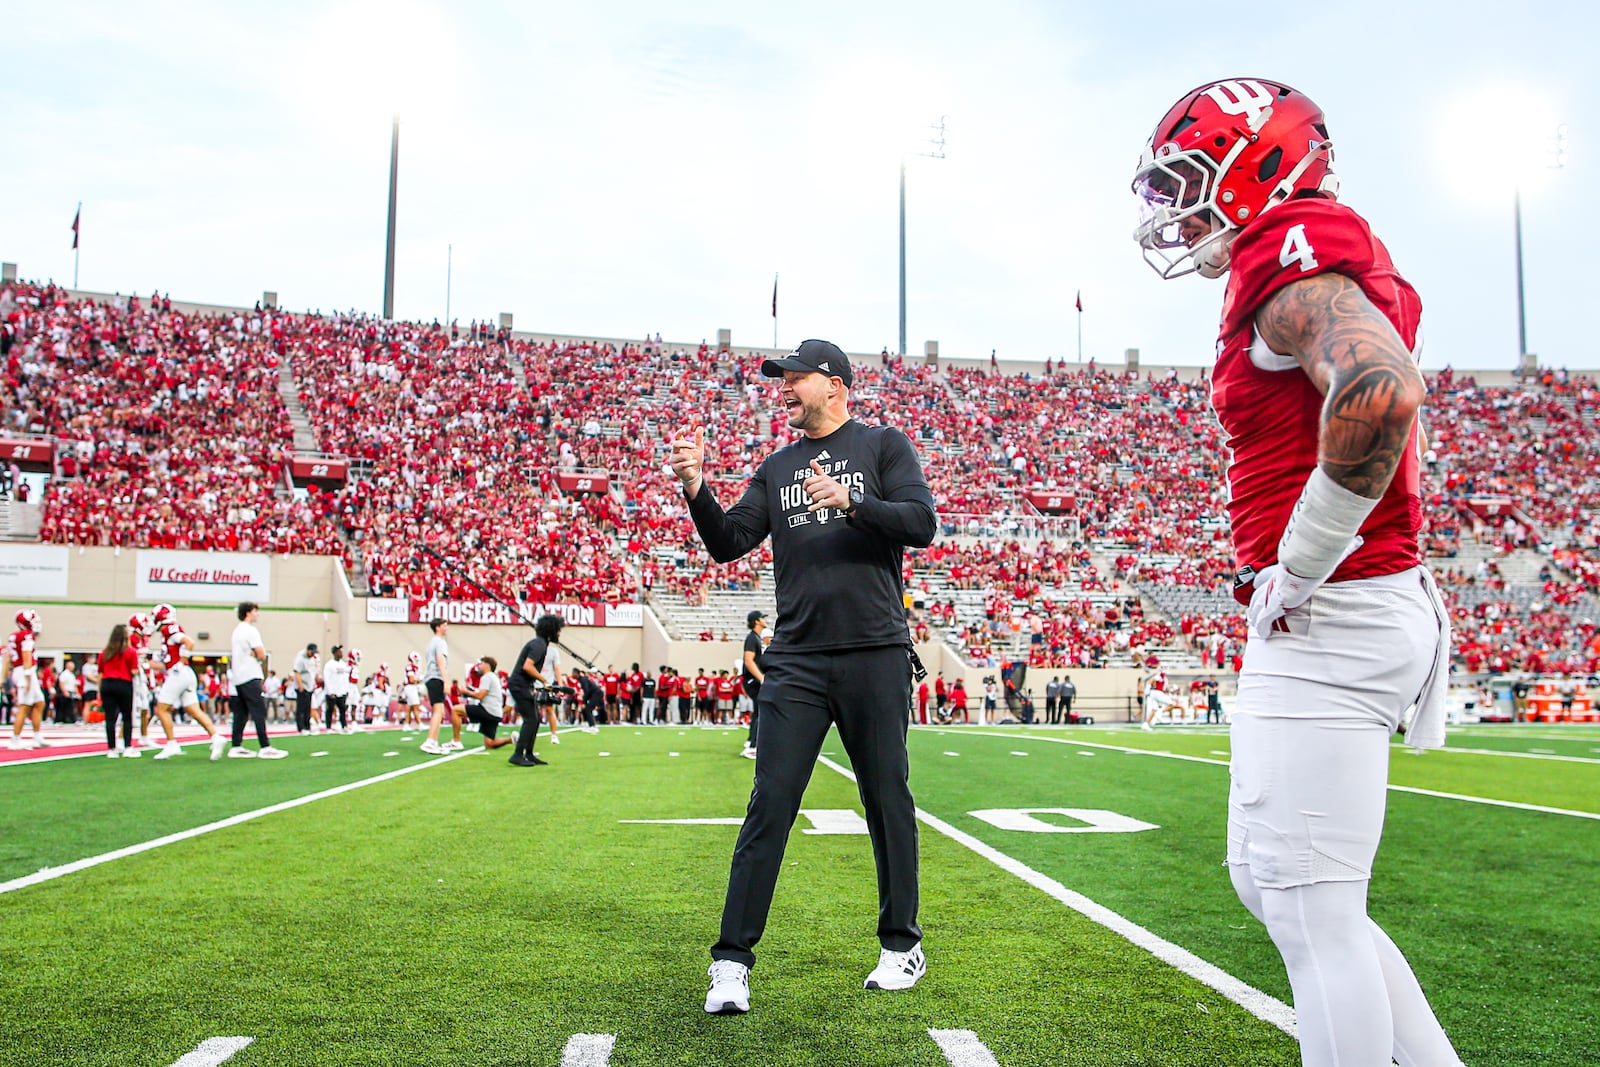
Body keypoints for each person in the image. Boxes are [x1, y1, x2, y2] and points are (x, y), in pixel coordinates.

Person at [1132, 78, 1461, 1066]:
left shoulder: (1290, 248)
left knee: (1310, 906)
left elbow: (1379, 389)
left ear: (1258, 162)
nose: (1177, 212)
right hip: (1355, 607)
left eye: (1191, 181)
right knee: (1278, 884)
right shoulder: (1298, 254)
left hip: (1336, 612)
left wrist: (1301, 559)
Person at [670, 338, 937, 1014]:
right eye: (780, 378)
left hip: (875, 650)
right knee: (769, 802)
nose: (782, 387)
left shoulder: (882, 446)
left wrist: (852, 501)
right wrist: (697, 488)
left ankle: (901, 942)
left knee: (887, 799)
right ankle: (731, 962)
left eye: (795, 377)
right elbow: (729, 542)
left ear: (835, 384)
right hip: (798, 659)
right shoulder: (777, 464)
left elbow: (921, 523)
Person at [145, 604, 229, 761]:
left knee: (162, 709)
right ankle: (216, 737)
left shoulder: (168, 629)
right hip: (185, 674)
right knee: (194, 710)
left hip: (179, 674)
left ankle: (171, 744)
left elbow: (189, 642)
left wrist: (182, 661)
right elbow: (166, 664)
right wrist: (148, 664)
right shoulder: (167, 633)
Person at [227, 601, 287, 759]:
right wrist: (258, 655)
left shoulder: (237, 631)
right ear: (248, 613)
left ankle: (236, 745)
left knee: (241, 713)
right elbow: (261, 653)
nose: (257, 614)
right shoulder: (250, 630)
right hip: (250, 675)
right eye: (255, 611)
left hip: (239, 677)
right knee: (259, 710)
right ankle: (265, 746)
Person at [506, 614, 566, 766]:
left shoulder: (540, 643)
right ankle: (518, 754)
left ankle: (529, 754)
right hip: (520, 685)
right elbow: (528, 666)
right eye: (558, 630)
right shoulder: (539, 645)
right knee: (531, 719)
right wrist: (544, 681)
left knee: (535, 719)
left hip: (523, 685)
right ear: (551, 631)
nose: (559, 633)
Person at [5, 610, 47, 750]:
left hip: (21, 671)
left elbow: (7, 658)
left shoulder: (14, 636)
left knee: (39, 703)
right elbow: (26, 655)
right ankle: (15, 739)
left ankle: (36, 736)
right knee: (24, 706)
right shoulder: (27, 636)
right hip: (25, 671)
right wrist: (28, 677)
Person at [419, 618, 463, 755]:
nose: (446, 628)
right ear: (437, 627)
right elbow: (440, 661)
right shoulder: (440, 642)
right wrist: (446, 681)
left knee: (439, 711)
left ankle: (433, 741)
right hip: (436, 677)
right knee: (438, 711)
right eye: (444, 625)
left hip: (432, 677)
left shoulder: (432, 642)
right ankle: (431, 741)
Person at [98, 623, 140, 757]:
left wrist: (100, 690)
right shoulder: (130, 652)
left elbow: (100, 672)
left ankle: (112, 748)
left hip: (107, 684)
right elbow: (134, 671)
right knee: (126, 716)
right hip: (123, 684)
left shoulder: (105, 652)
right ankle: (127, 746)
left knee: (110, 718)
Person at [462, 656, 514, 750]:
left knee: (456, 710)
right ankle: (511, 739)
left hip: (487, 711)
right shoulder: (493, 677)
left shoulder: (487, 677)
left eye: (481, 664)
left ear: (487, 665)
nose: (479, 666)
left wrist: (466, 692)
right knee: (489, 744)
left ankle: (456, 741)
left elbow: (480, 696)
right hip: (496, 713)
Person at [740, 611, 767, 759]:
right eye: (762, 618)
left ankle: (751, 741)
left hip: (753, 680)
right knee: (760, 712)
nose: (765, 620)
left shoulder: (756, 638)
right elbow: (748, 660)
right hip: (752, 681)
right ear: (756, 621)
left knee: (758, 711)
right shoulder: (752, 638)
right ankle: (753, 747)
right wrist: (761, 678)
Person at [322, 645, 352, 733]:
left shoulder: (343, 664)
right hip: (332, 692)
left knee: (343, 709)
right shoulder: (329, 665)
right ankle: (328, 727)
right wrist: (330, 691)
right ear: (335, 653)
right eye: (339, 652)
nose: (341, 653)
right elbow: (327, 679)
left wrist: (347, 690)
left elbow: (345, 678)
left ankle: (344, 726)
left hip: (341, 691)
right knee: (330, 710)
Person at [291, 642, 319, 733]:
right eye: (312, 652)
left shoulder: (312, 659)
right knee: (301, 708)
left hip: (310, 686)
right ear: (308, 650)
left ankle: (307, 727)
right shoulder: (300, 659)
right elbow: (297, 672)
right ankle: (301, 727)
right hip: (302, 686)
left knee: (308, 708)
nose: (313, 654)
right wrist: (300, 685)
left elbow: (313, 671)